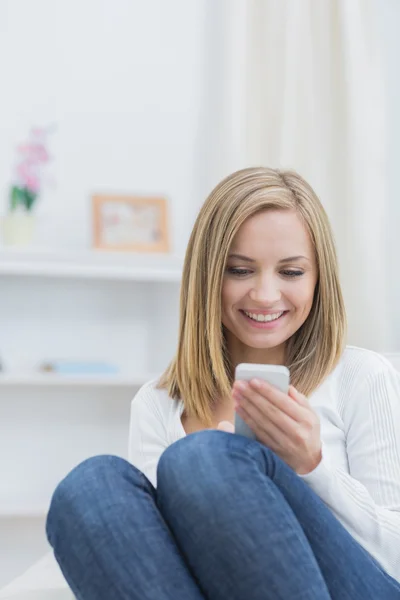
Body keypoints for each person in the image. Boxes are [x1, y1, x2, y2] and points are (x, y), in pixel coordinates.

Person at [46, 168, 400, 600]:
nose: (266, 295)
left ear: (318, 279)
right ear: (208, 275)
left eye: (290, 272)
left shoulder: (361, 378)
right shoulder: (159, 405)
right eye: (239, 270)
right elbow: (154, 562)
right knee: (89, 488)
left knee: (201, 460)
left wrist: (312, 468)